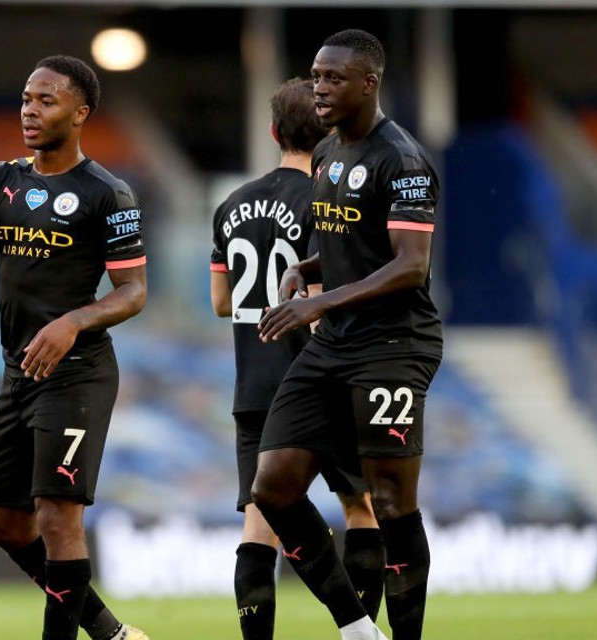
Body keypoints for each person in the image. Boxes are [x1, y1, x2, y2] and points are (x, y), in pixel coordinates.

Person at [0, 55, 148, 640]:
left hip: (77, 375)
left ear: (80, 113)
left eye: (47, 100)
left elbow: (134, 291)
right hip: (19, 373)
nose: (30, 109)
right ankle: (112, 634)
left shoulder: (107, 193)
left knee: (56, 517)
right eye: (26, 98)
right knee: (7, 528)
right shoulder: (1, 181)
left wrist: (73, 321)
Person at [252, 29, 443, 640]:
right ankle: (359, 629)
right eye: (315, 76)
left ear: (370, 82)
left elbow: (411, 264)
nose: (320, 87)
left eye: (334, 78)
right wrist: (305, 270)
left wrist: (320, 301)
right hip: (334, 341)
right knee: (273, 487)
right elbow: (343, 246)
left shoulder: (403, 159)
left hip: (393, 346)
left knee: (390, 505)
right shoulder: (330, 152)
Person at [209, 77, 385, 640]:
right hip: (319, 381)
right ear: (330, 128)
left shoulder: (231, 204)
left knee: (259, 526)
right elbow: (324, 298)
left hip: (253, 385)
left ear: (272, 132)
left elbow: (221, 302)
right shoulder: (329, 198)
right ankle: (362, 632)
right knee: (361, 507)